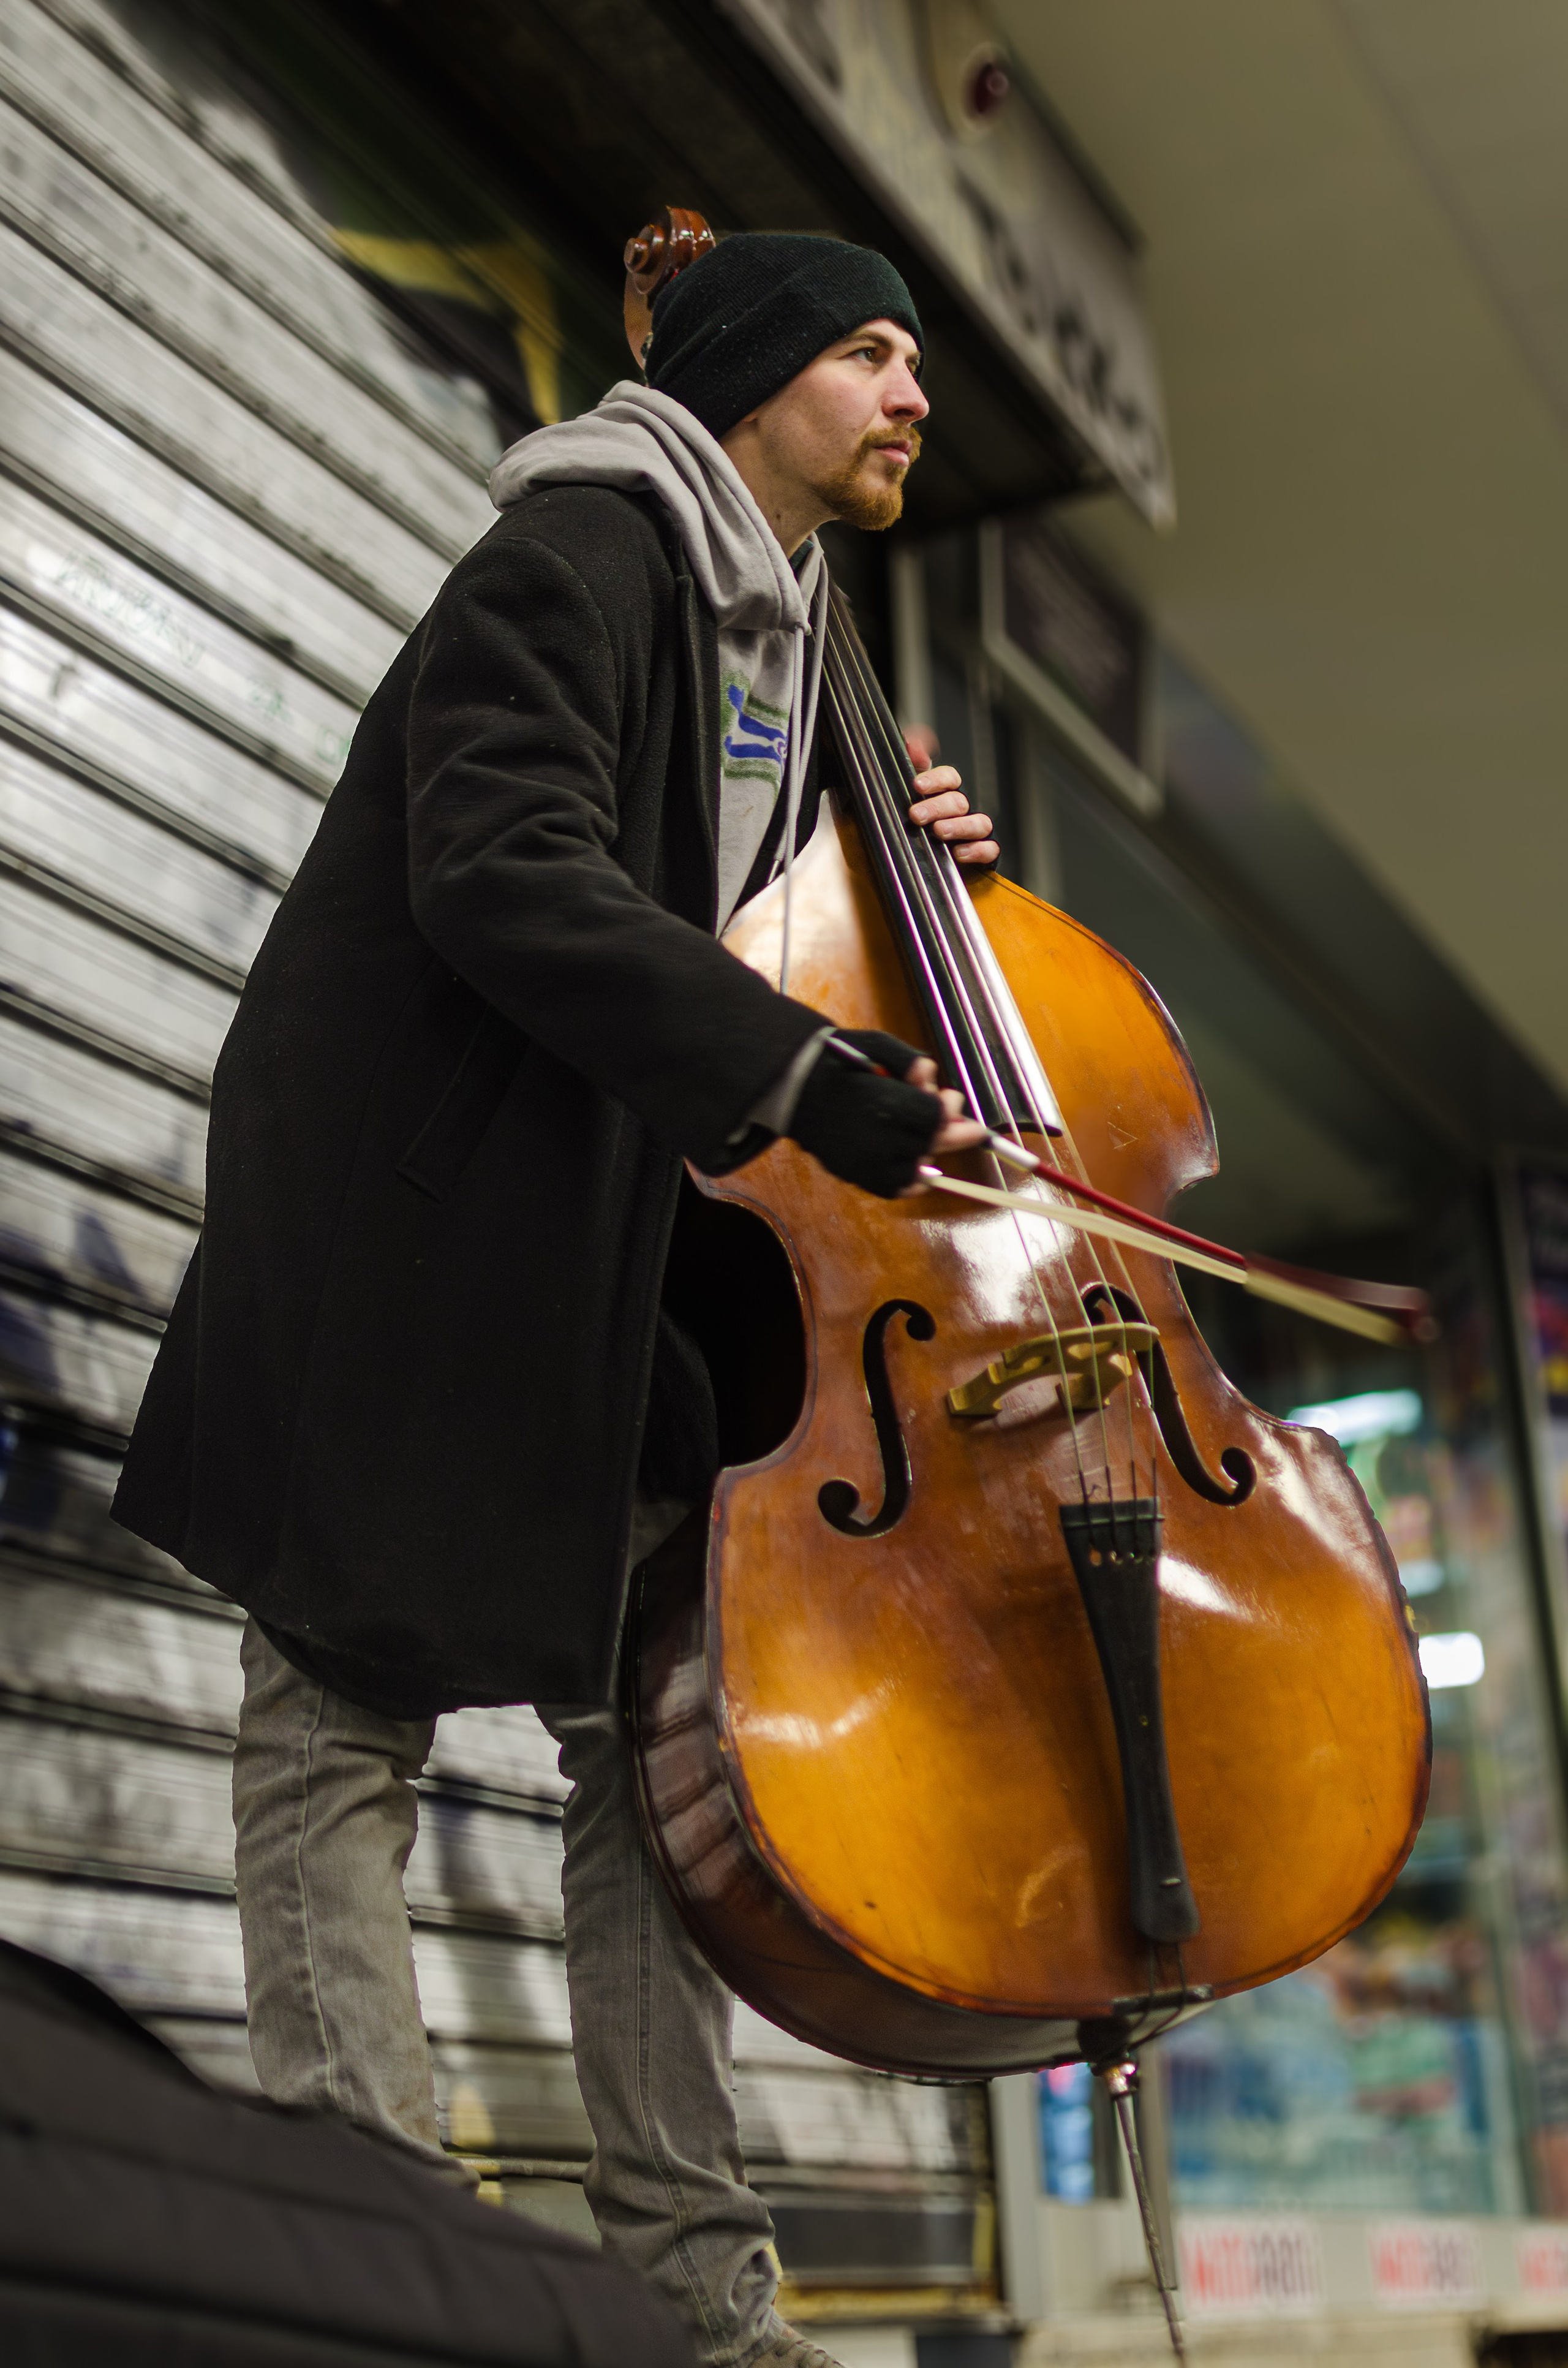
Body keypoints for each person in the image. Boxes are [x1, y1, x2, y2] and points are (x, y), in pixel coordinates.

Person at [111, 232, 999, 2368]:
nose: (914, 395)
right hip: (418, 1228)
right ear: (755, 377)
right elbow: (506, 866)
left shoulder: (786, 623)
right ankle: (378, 2253)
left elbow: (698, 910)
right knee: (338, 1710)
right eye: (872, 352)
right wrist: (809, 1075)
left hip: (602, 1253)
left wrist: (885, 880)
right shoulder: (585, 551)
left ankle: (694, 2291)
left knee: (656, 1740)